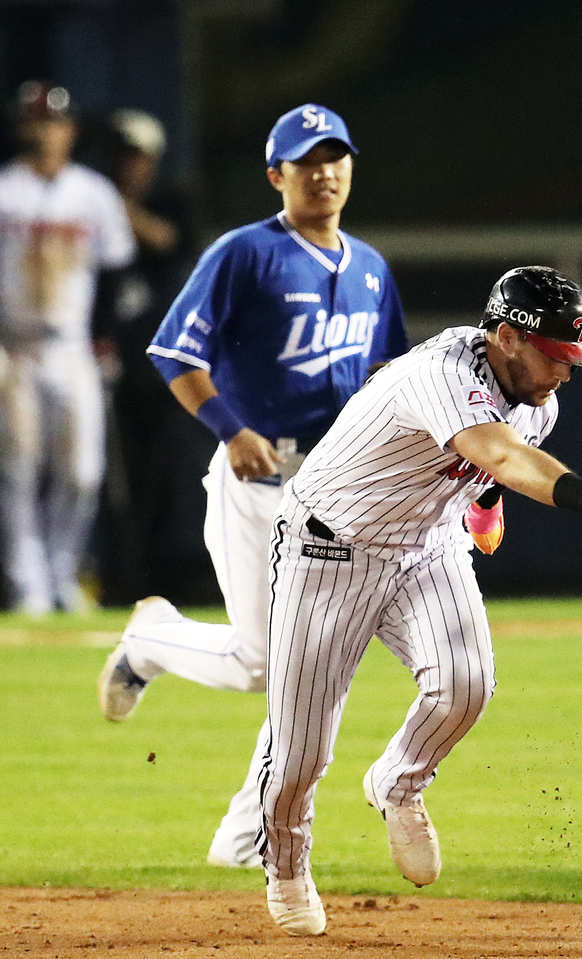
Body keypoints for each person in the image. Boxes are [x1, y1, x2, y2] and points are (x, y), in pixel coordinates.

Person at [257, 265, 582, 936]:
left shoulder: (540, 402)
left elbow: (489, 467)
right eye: (556, 354)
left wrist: (484, 508)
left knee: (467, 683)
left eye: (574, 356)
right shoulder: (440, 370)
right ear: (506, 336)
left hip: (426, 546)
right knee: (300, 750)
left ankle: (397, 783)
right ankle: (288, 867)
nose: (566, 371)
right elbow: (497, 451)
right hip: (329, 548)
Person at [94, 104, 408, 873]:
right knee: (270, 664)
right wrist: (230, 428)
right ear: (278, 175)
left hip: (342, 491)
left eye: (336, 157)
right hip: (261, 478)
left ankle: (247, 834)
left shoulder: (369, 267)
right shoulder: (245, 253)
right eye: (307, 161)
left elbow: (396, 380)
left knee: (302, 668)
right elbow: (173, 351)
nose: (324, 172)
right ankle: (152, 638)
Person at [0, 81, 135, 613]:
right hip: (12, 346)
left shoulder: (92, 193)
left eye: (53, 121)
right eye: (34, 121)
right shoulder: (4, 188)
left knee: (82, 471)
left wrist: (107, 341)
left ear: (69, 129)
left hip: (73, 344)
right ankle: (26, 580)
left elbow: (118, 274)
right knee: (18, 465)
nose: (44, 131)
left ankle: (61, 572)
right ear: (20, 127)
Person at [94, 108, 203, 604]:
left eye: (135, 155)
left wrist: (107, 204)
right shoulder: (90, 204)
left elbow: (170, 239)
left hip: (161, 369)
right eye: (120, 155)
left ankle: (159, 580)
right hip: (105, 358)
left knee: (164, 479)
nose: (128, 165)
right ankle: (114, 578)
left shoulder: (172, 199)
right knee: (108, 482)